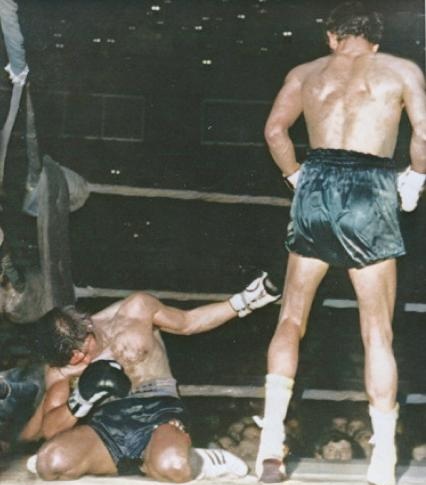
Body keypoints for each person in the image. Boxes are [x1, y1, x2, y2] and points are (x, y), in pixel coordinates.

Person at [255, 2, 426, 485]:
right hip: (371, 188)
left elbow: (274, 131)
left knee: (291, 318)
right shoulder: (399, 69)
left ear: (333, 37)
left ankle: (269, 446)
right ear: (375, 39)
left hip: (317, 182)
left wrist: (295, 177)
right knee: (377, 331)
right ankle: (384, 460)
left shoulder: (306, 72)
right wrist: (415, 178)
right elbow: (425, 134)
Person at [24, 272, 279, 481]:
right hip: (106, 422)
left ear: (88, 326)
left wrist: (248, 299)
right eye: (71, 361)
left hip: (158, 408)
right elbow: (51, 427)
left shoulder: (135, 310)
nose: (79, 361)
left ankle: (197, 460)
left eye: (81, 352)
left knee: (172, 466)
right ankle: (149, 461)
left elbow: (190, 322)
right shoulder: (59, 365)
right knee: (50, 463)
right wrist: (81, 397)